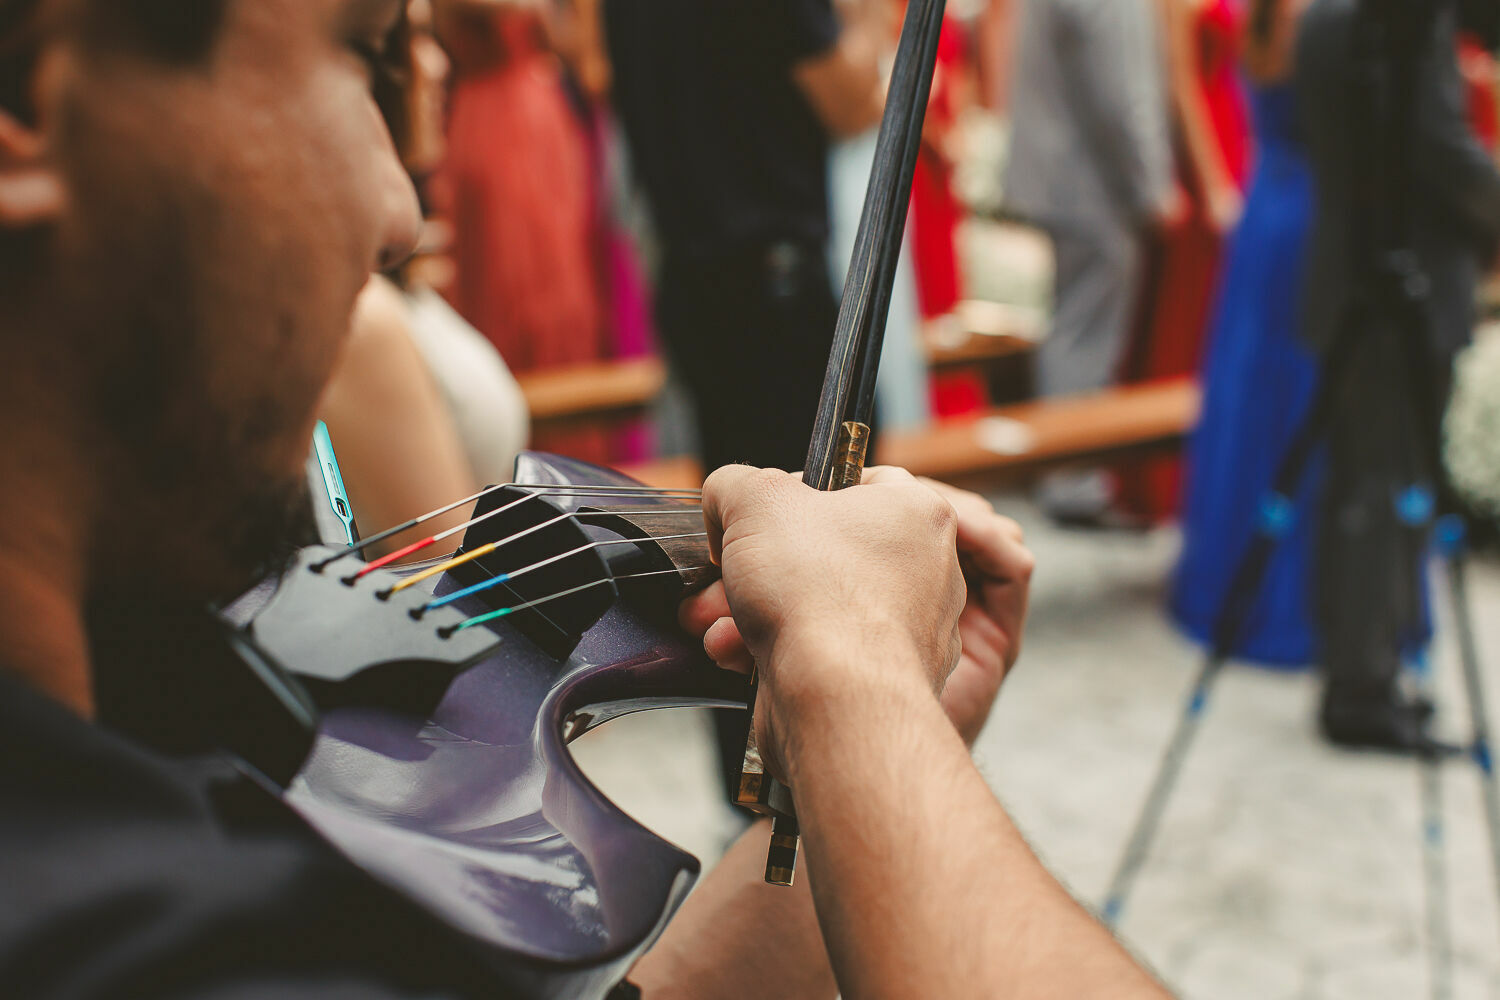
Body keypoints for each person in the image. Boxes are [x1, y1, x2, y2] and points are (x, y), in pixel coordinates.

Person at [0, 1, 1174, 996]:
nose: (398, 212)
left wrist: (866, 788)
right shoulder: (163, 933)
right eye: (359, 54)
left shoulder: (113, 771)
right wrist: (857, 671)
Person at [1296, 0, 1500, 752]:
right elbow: (1437, 147)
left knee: (1360, 486)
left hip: (1347, 281)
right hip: (1399, 298)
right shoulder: (1406, 18)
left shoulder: (1322, 16)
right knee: (1385, 492)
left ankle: (1359, 670)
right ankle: (1362, 688)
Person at [602, 0, 885, 477]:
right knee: (828, 508)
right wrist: (873, 17)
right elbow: (851, 106)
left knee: (741, 513)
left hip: (689, 278)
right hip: (775, 293)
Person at [1171, 0, 1321, 668]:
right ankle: (1287, 595)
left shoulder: (1260, 13)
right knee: (1288, 403)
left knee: (1247, 395)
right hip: (1306, 220)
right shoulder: (1300, 15)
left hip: (1266, 206)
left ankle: (1228, 573)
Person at [1003, 0, 1177, 526]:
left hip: (1061, 174)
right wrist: (1152, 189)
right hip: (1091, 185)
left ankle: (1067, 472)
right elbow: (1121, 97)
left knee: (1072, 325)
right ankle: (1074, 481)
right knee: (1087, 334)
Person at [1115, 0, 1250, 523]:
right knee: (1188, 316)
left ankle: (1219, 468)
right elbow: (1181, 82)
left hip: (1244, 131)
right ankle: (1168, 482)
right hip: (1205, 151)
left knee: (1225, 319)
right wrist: (1214, 181)